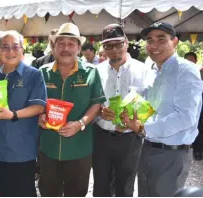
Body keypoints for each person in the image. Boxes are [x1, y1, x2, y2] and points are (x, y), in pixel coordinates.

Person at [121, 22, 203, 197]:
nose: (153, 45)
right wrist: (123, 116)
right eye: (149, 40)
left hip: (172, 155)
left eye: (161, 39)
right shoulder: (153, 71)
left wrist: (143, 128)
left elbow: (185, 117)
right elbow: (145, 105)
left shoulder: (186, 71)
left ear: (174, 42)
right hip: (148, 149)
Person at [38, 23, 106, 197]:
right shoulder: (42, 72)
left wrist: (80, 124)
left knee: (76, 193)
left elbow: (96, 103)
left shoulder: (91, 72)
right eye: (61, 44)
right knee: (48, 192)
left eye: (71, 44)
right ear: (54, 47)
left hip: (79, 148)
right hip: (48, 147)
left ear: (78, 48)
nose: (65, 49)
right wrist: (40, 116)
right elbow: (36, 103)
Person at [0, 30, 47, 197]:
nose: (10, 52)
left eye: (15, 47)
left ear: (22, 50)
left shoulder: (34, 75)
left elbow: (39, 107)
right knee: (0, 191)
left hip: (21, 151)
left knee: (22, 192)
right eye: (5, 47)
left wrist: (13, 114)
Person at [94, 24, 150, 197]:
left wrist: (135, 121)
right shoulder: (96, 71)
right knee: (101, 185)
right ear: (103, 48)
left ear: (126, 43)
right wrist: (99, 112)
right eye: (108, 46)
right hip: (101, 137)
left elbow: (150, 105)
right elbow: (91, 102)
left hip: (130, 140)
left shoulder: (144, 70)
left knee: (125, 186)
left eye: (118, 44)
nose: (114, 50)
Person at [184, 52, 203, 160]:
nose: (189, 61)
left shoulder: (199, 72)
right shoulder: (181, 72)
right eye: (187, 59)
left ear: (195, 61)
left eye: (191, 59)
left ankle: (198, 151)